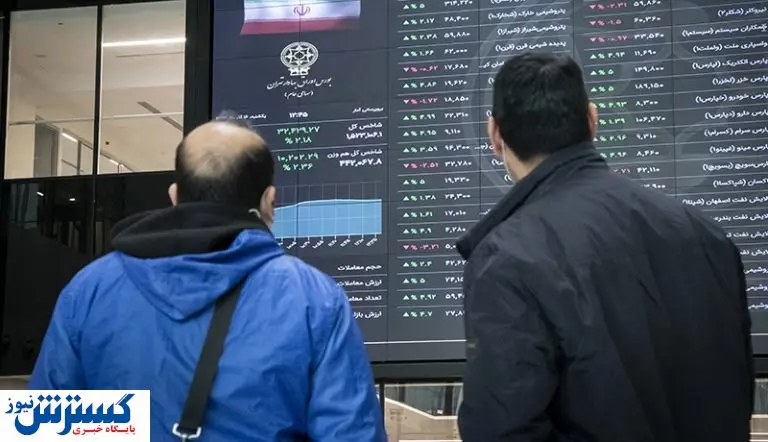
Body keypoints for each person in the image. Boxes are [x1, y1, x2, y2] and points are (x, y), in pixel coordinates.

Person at [29, 115, 387, 441]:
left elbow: (44, 430)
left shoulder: (89, 289)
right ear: (269, 200)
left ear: (174, 195)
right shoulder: (315, 299)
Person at [456, 52, 754, 441]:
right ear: (592, 120)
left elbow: (502, 430)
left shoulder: (506, 257)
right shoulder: (706, 235)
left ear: (494, 134)